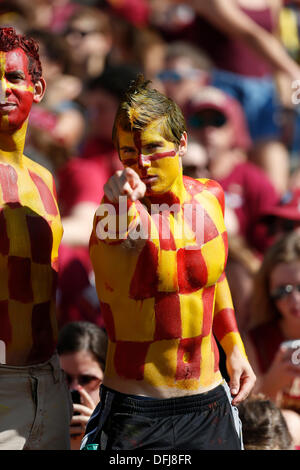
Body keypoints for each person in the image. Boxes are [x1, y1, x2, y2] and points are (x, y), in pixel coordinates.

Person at [81, 75, 256, 451]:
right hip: (136, 411)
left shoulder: (211, 196)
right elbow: (118, 238)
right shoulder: (114, 217)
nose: (141, 163)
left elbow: (213, 277)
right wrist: (118, 202)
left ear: (182, 143)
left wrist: (234, 346)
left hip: (210, 403)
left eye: (152, 148)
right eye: (128, 152)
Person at [0, 27, 71, 449]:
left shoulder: (44, 179)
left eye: (13, 77)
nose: (3, 89)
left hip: (50, 379)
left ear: (38, 88)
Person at [243, 231, 300, 446]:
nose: (294, 299)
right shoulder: (256, 340)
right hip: (280, 438)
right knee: (289, 422)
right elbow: (251, 420)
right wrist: (272, 382)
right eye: (282, 291)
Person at [57, 321, 108, 450]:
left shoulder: (124, 436)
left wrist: (94, 439)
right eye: (64, 379)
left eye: (87, 379)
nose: (74, 389)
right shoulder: (34, 435)